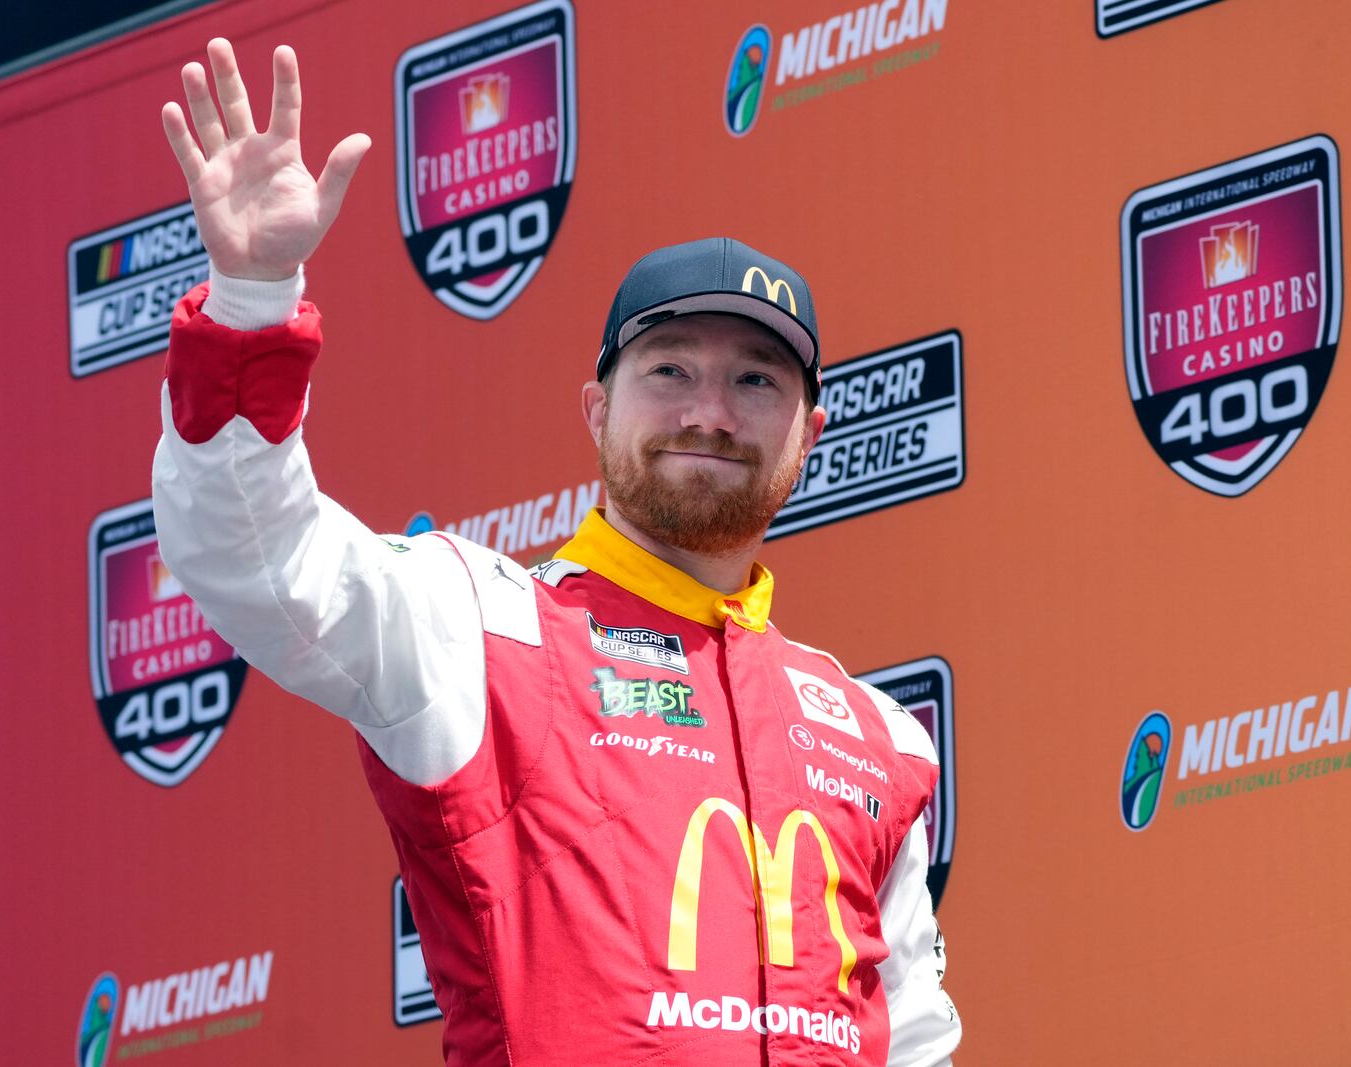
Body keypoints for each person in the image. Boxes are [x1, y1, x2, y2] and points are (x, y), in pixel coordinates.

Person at [152, 38, 961, 1067]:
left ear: (808, 434)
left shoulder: (878, 736)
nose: (710, 411)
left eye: (757, 381)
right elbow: (251, 550)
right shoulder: (474, 627)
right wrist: (252, 302)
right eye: (669, 368)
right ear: (596, 410)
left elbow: (914, 1039)